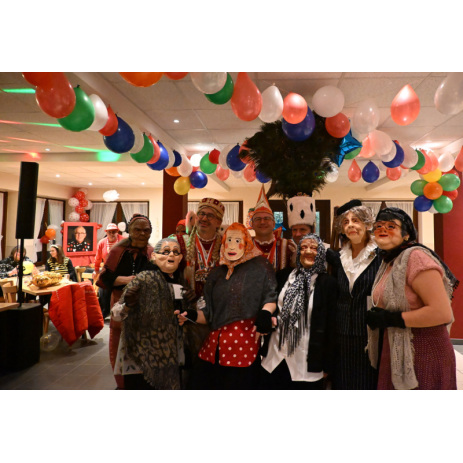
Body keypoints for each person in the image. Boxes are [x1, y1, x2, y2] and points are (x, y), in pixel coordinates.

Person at [366, 207, 458, 390]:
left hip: (424, 349)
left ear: (406, 234)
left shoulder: (416, 257)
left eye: (391, 226)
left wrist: (391, 318)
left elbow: (442, 313)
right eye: (378, 226)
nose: (383, 229)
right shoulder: (389, 261)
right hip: (397, 346)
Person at [176, 222, 277, 390]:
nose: (232, 246)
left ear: (247, 243)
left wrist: (266, 313)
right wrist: (190, 315)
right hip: (212, 349)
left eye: (238, 241)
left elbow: (270, 296)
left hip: (244, 345)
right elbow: (208, 314)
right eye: (228, 240)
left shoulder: (260, 267)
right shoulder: (217, 273)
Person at [112, 238, 190, 390]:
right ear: (154, 256)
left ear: (180, 258)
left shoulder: (180, 282)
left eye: (175, 252)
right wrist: (128, 305)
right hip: (141, 357)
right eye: (165, 252)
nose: (171, 255)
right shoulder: (143, 279)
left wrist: (189, 308)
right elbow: (116, 314)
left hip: (169, 357)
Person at [261, 233, 337, 389]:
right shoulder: (283, 275)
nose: (308, 251)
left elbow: (332, 326)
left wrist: (328, 365)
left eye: (314, 248)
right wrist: (271, 316)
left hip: (305, 363)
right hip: (274, 358)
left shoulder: (328, 283)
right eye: (303, 247)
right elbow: (273, 302)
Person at [97, 213, 154, 389]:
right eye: (137, 230)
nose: (142, 233)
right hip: (120, 305)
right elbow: (104, 279)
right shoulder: (117, 251)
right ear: (129, 230)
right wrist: (127, 280)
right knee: (119, 345)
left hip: (145, 308)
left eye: (146, 230)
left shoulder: (152, 252)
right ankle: (122, 384)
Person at [329, 199, 382, 390]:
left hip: (371, 333)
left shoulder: (381, 255)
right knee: (343, 382)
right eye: (346, 222)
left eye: (356, 220)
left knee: (367, 383)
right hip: (342, 333)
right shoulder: (338, 257)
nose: (350, 225)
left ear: (367, 224)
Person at [176, 197, 225, 380]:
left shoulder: (227, 245)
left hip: (218, 316)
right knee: (191, 367)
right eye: (201, 214)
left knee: (216, 367)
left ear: (218, 222)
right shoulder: (180, 242)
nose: (204, 218)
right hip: (188, 316)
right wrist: (181, 290)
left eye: (210, 216)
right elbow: (167, 274)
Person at [251, 185, 290, 271]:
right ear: (252, 224)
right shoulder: (245, 246)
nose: (262, 222)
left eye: (266, 218)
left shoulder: (287, 246)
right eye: (258, 219)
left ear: (273, 223)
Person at [93, 223, 123, 318]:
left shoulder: (123, 241)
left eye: (114, 232)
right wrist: (96, 270)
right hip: (107, 269)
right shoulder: (102, 242)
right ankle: (104, 312)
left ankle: (119, 313)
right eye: (109, 232)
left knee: (120, 291)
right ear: (106, 232)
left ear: (117, 232)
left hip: (121, 270)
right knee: (103, 288)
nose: (112, 234)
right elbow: (98, 258)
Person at [286, 194, 317, 267]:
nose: (297, 234)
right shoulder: (293, 255)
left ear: (313, 231)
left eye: (302, 229)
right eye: (294, 230)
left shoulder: (326, 252)